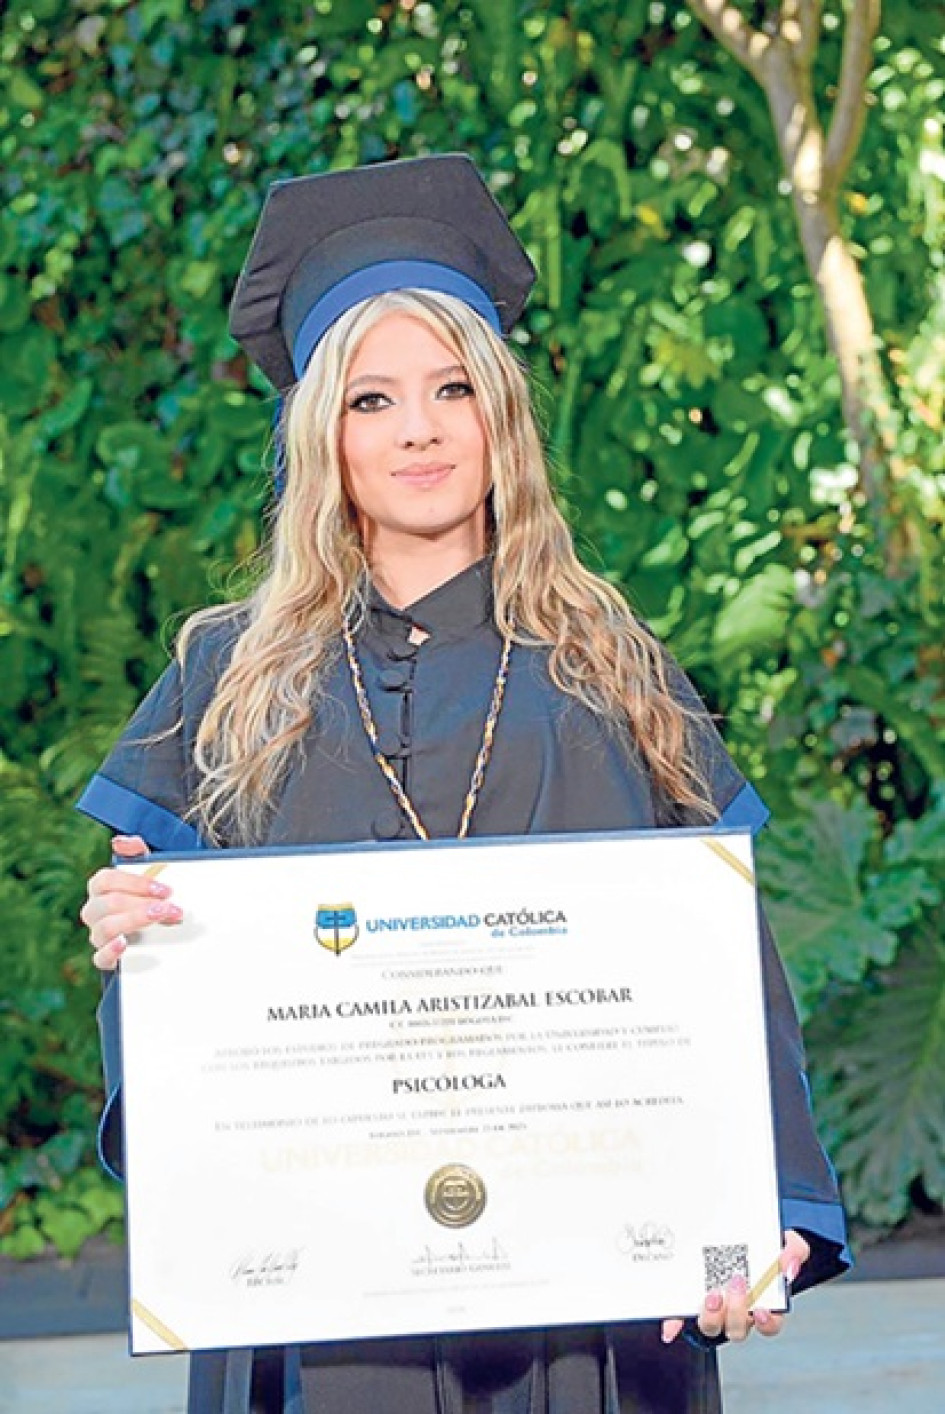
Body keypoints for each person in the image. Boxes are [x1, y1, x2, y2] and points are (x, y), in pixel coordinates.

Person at [78, 154, 849, 1414]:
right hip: (325, 1309)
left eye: (452, 389)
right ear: (321, 432)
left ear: (503, 412)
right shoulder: (227, 678)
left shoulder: (613, 666)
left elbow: (726, 971)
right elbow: (175, 1014)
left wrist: (757, 1219)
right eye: (372, 399)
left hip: (592, 1314)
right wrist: (139, 954)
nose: (420, 429)